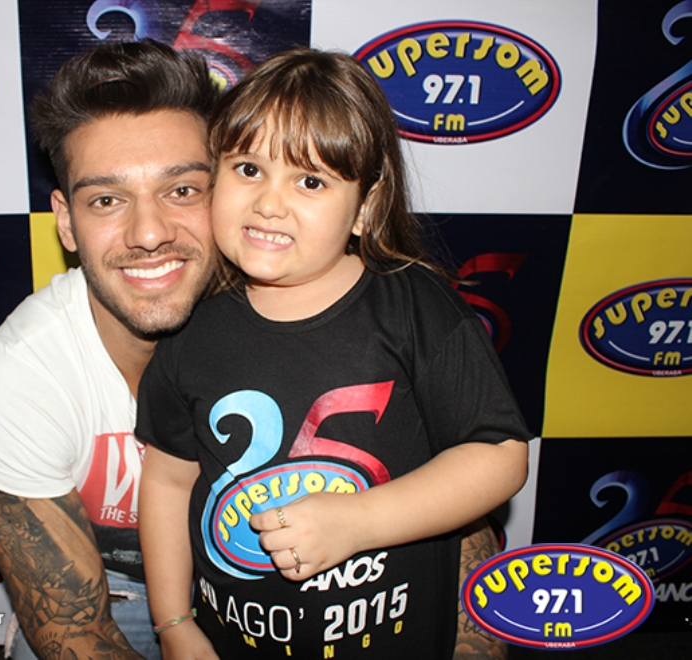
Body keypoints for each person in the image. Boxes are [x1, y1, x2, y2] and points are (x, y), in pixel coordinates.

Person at [135, 48, 532, 660]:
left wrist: (359, 521)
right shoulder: (190, 327)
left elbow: (499, 457)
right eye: (248, 169)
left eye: (311, 181)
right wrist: (173, 624)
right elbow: (167, 480)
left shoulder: (413, 305)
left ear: (366, 207)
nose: (270, 202)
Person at [0, 39, 218, 659]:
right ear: (67, 221)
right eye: (106, 200)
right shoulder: (19, 377)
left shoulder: (297, 313)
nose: (149, 233)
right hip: (119, 591)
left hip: (262, 582)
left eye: (182, 190)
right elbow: (73, 631)